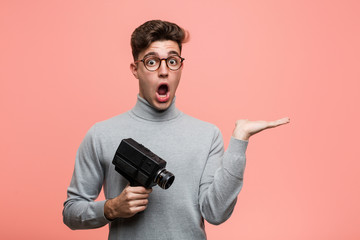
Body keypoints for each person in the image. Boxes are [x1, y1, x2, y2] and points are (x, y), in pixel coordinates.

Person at [63, 20, 290, 239]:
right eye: (152, 62)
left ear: (181, 67)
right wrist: (110, 208)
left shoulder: (207, 135)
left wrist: (240, 140)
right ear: (135, 69)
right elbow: (71, 212)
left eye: (172, 61)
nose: (164, 71)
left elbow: (216, 213)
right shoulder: (101, 134)